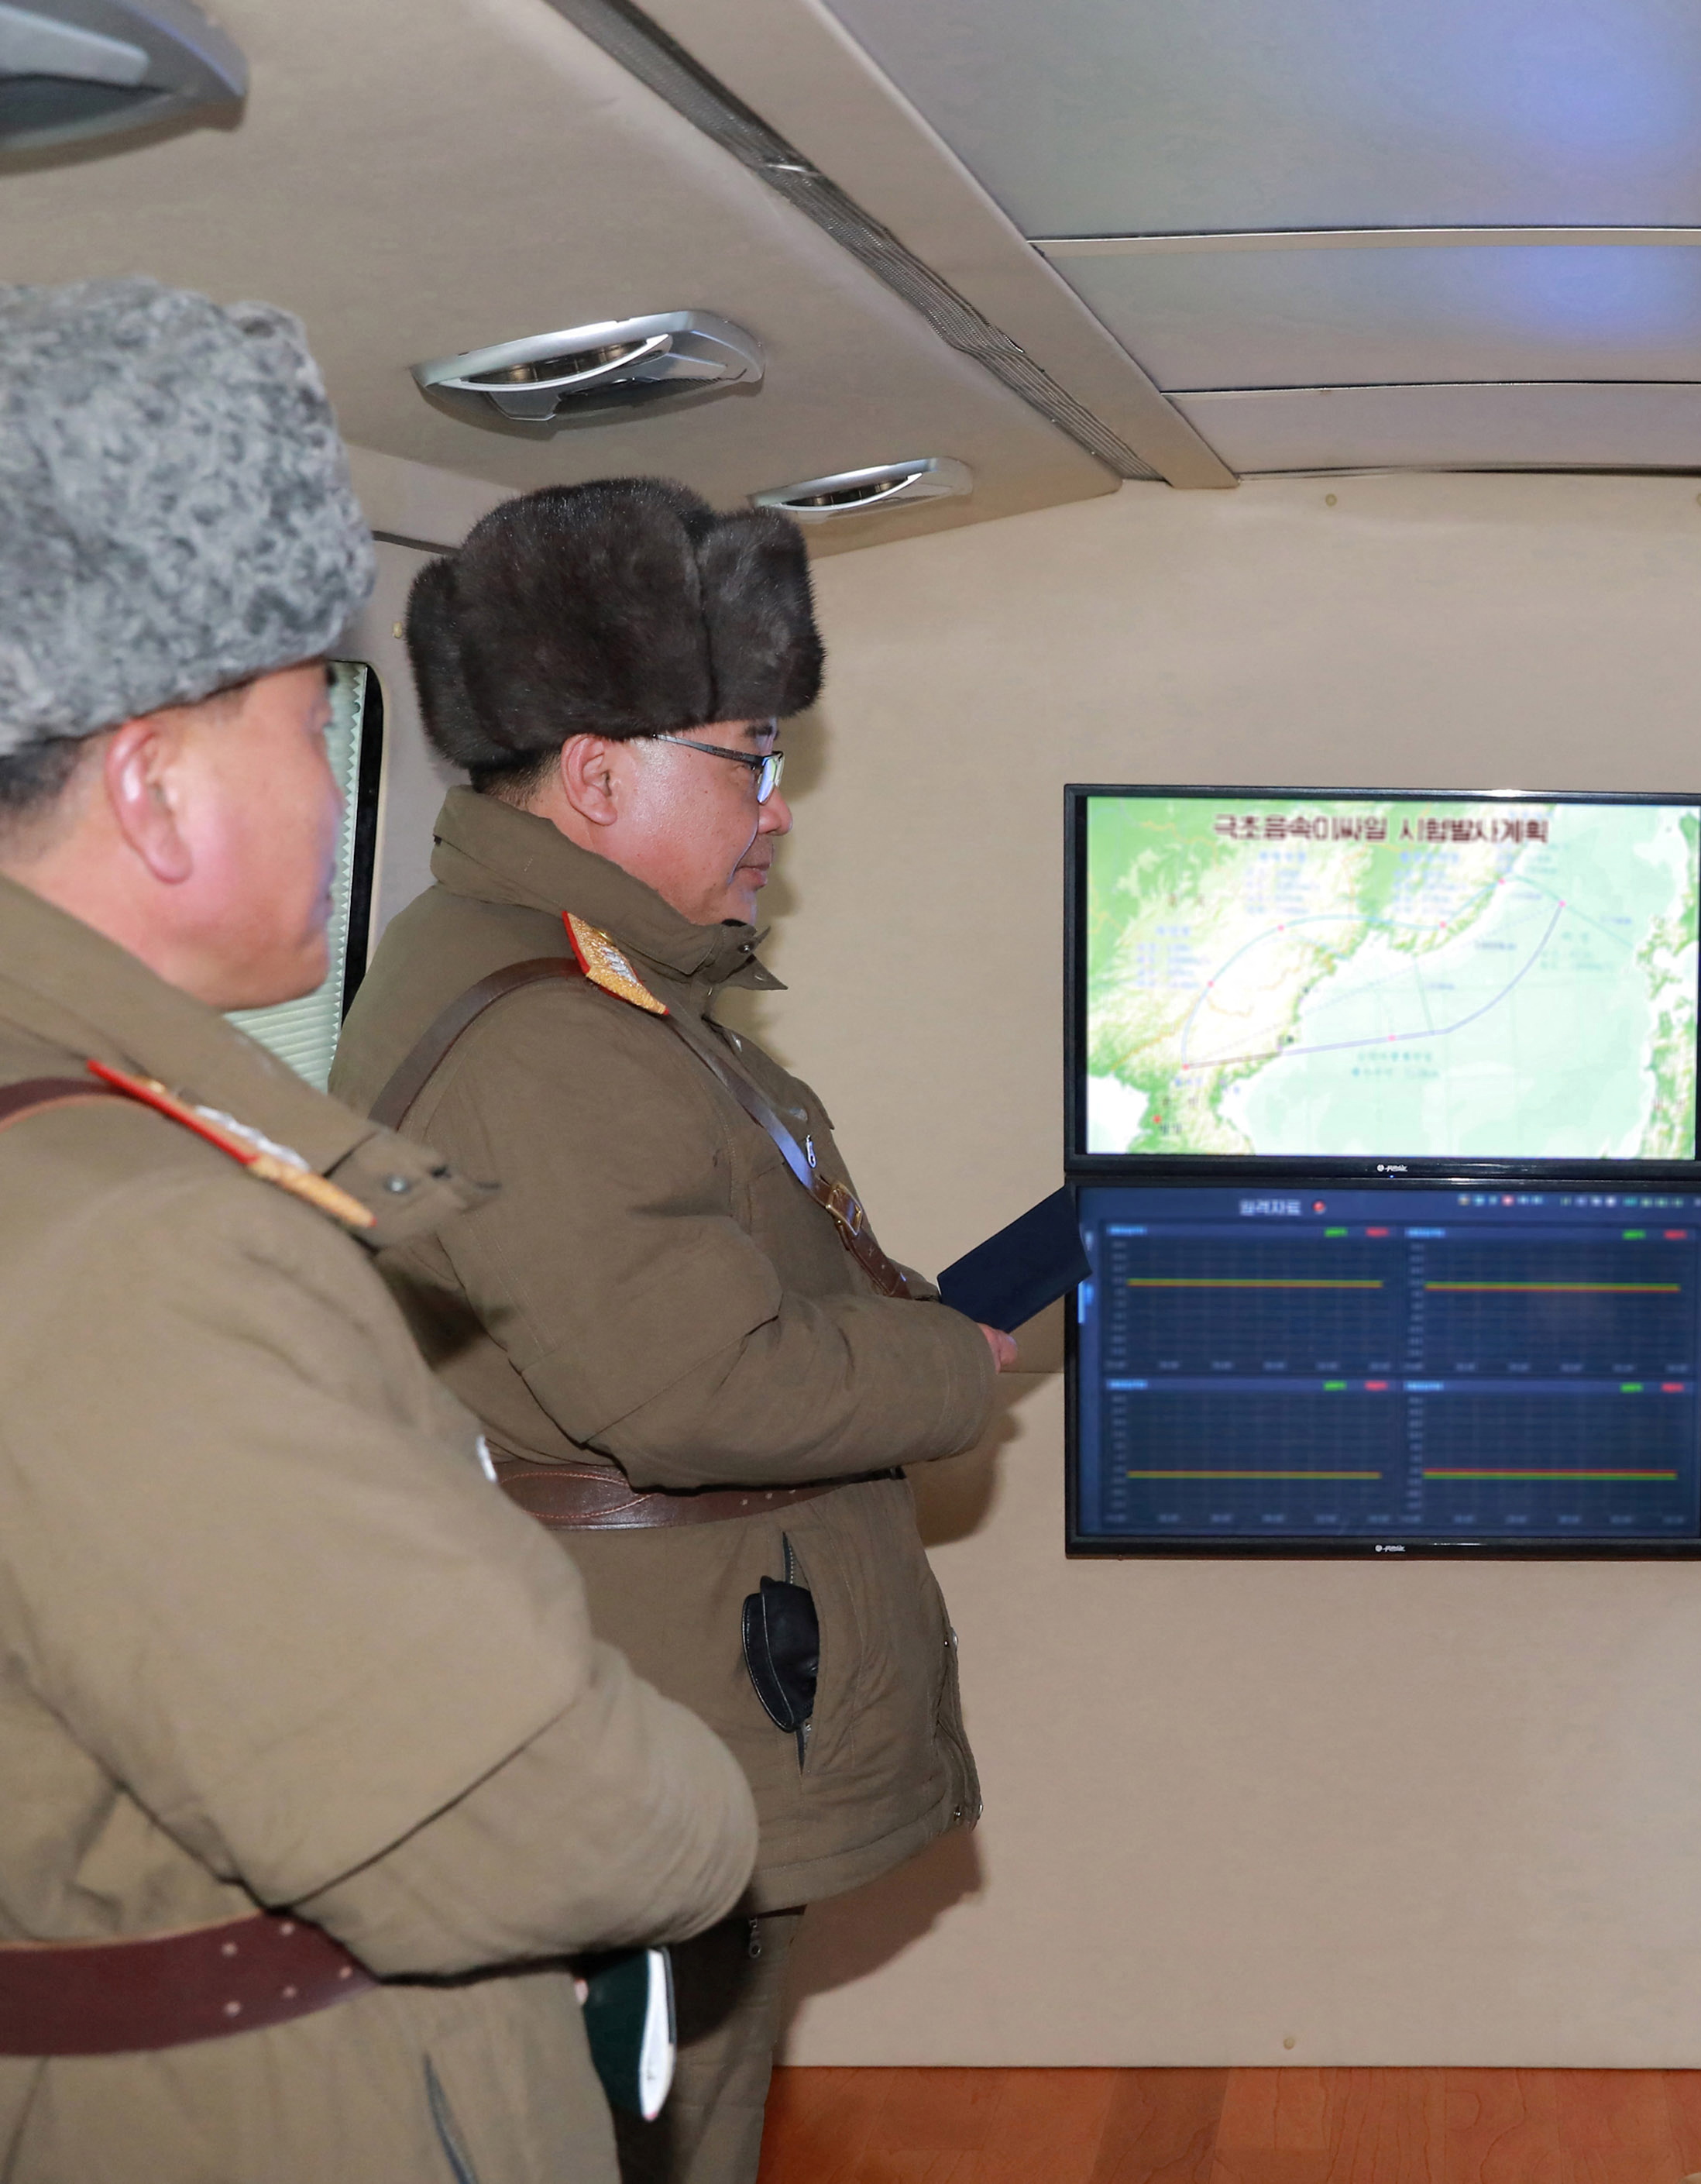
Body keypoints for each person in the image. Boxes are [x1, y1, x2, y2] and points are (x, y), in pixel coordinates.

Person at [0, 280, 757, 2182]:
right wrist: (704, 1811)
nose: (339, 799)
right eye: (308, 725)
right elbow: (518, 1818)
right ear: (156, 790)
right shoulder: (142, 1246)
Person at [331, 479, 1012, 2184]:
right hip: (649, 1717)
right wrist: (952, 1365)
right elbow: (701, 1388)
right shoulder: (549, 1034)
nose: (776, 812)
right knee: (646, 2136)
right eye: (749, 759)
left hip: (666, 1692)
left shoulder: (597, 981)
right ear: (595, 775)